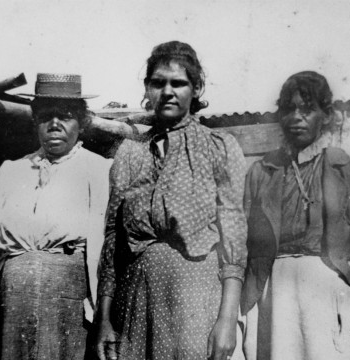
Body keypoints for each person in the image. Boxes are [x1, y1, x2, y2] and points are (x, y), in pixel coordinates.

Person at [94, 41, 247, 360]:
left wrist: (227, 320)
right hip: (137, 300)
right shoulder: (130, 153)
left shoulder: (218, 148)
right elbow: (113, 241)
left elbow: (233, 241)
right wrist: (104, 318)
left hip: (195, 302)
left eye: (178, 83)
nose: (167, 91)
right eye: (157, 82)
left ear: (196, 88)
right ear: (147, 88)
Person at [240, 71, 350, 360]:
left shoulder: (349, 170)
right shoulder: (261, 173)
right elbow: (243, 244)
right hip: (274, 295)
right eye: (289, 109)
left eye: (308, 109)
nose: (297, 117)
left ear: (326, 115)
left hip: (329, 292)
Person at [0, 73, 113, 360]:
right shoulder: (11, 170)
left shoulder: (98, 169)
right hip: (14, 295)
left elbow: (104, 247)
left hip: (68, 294)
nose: (55, 124)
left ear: (81, 122)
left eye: (66, 116)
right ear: (35, 120)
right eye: (46, 116)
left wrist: (97, 312)